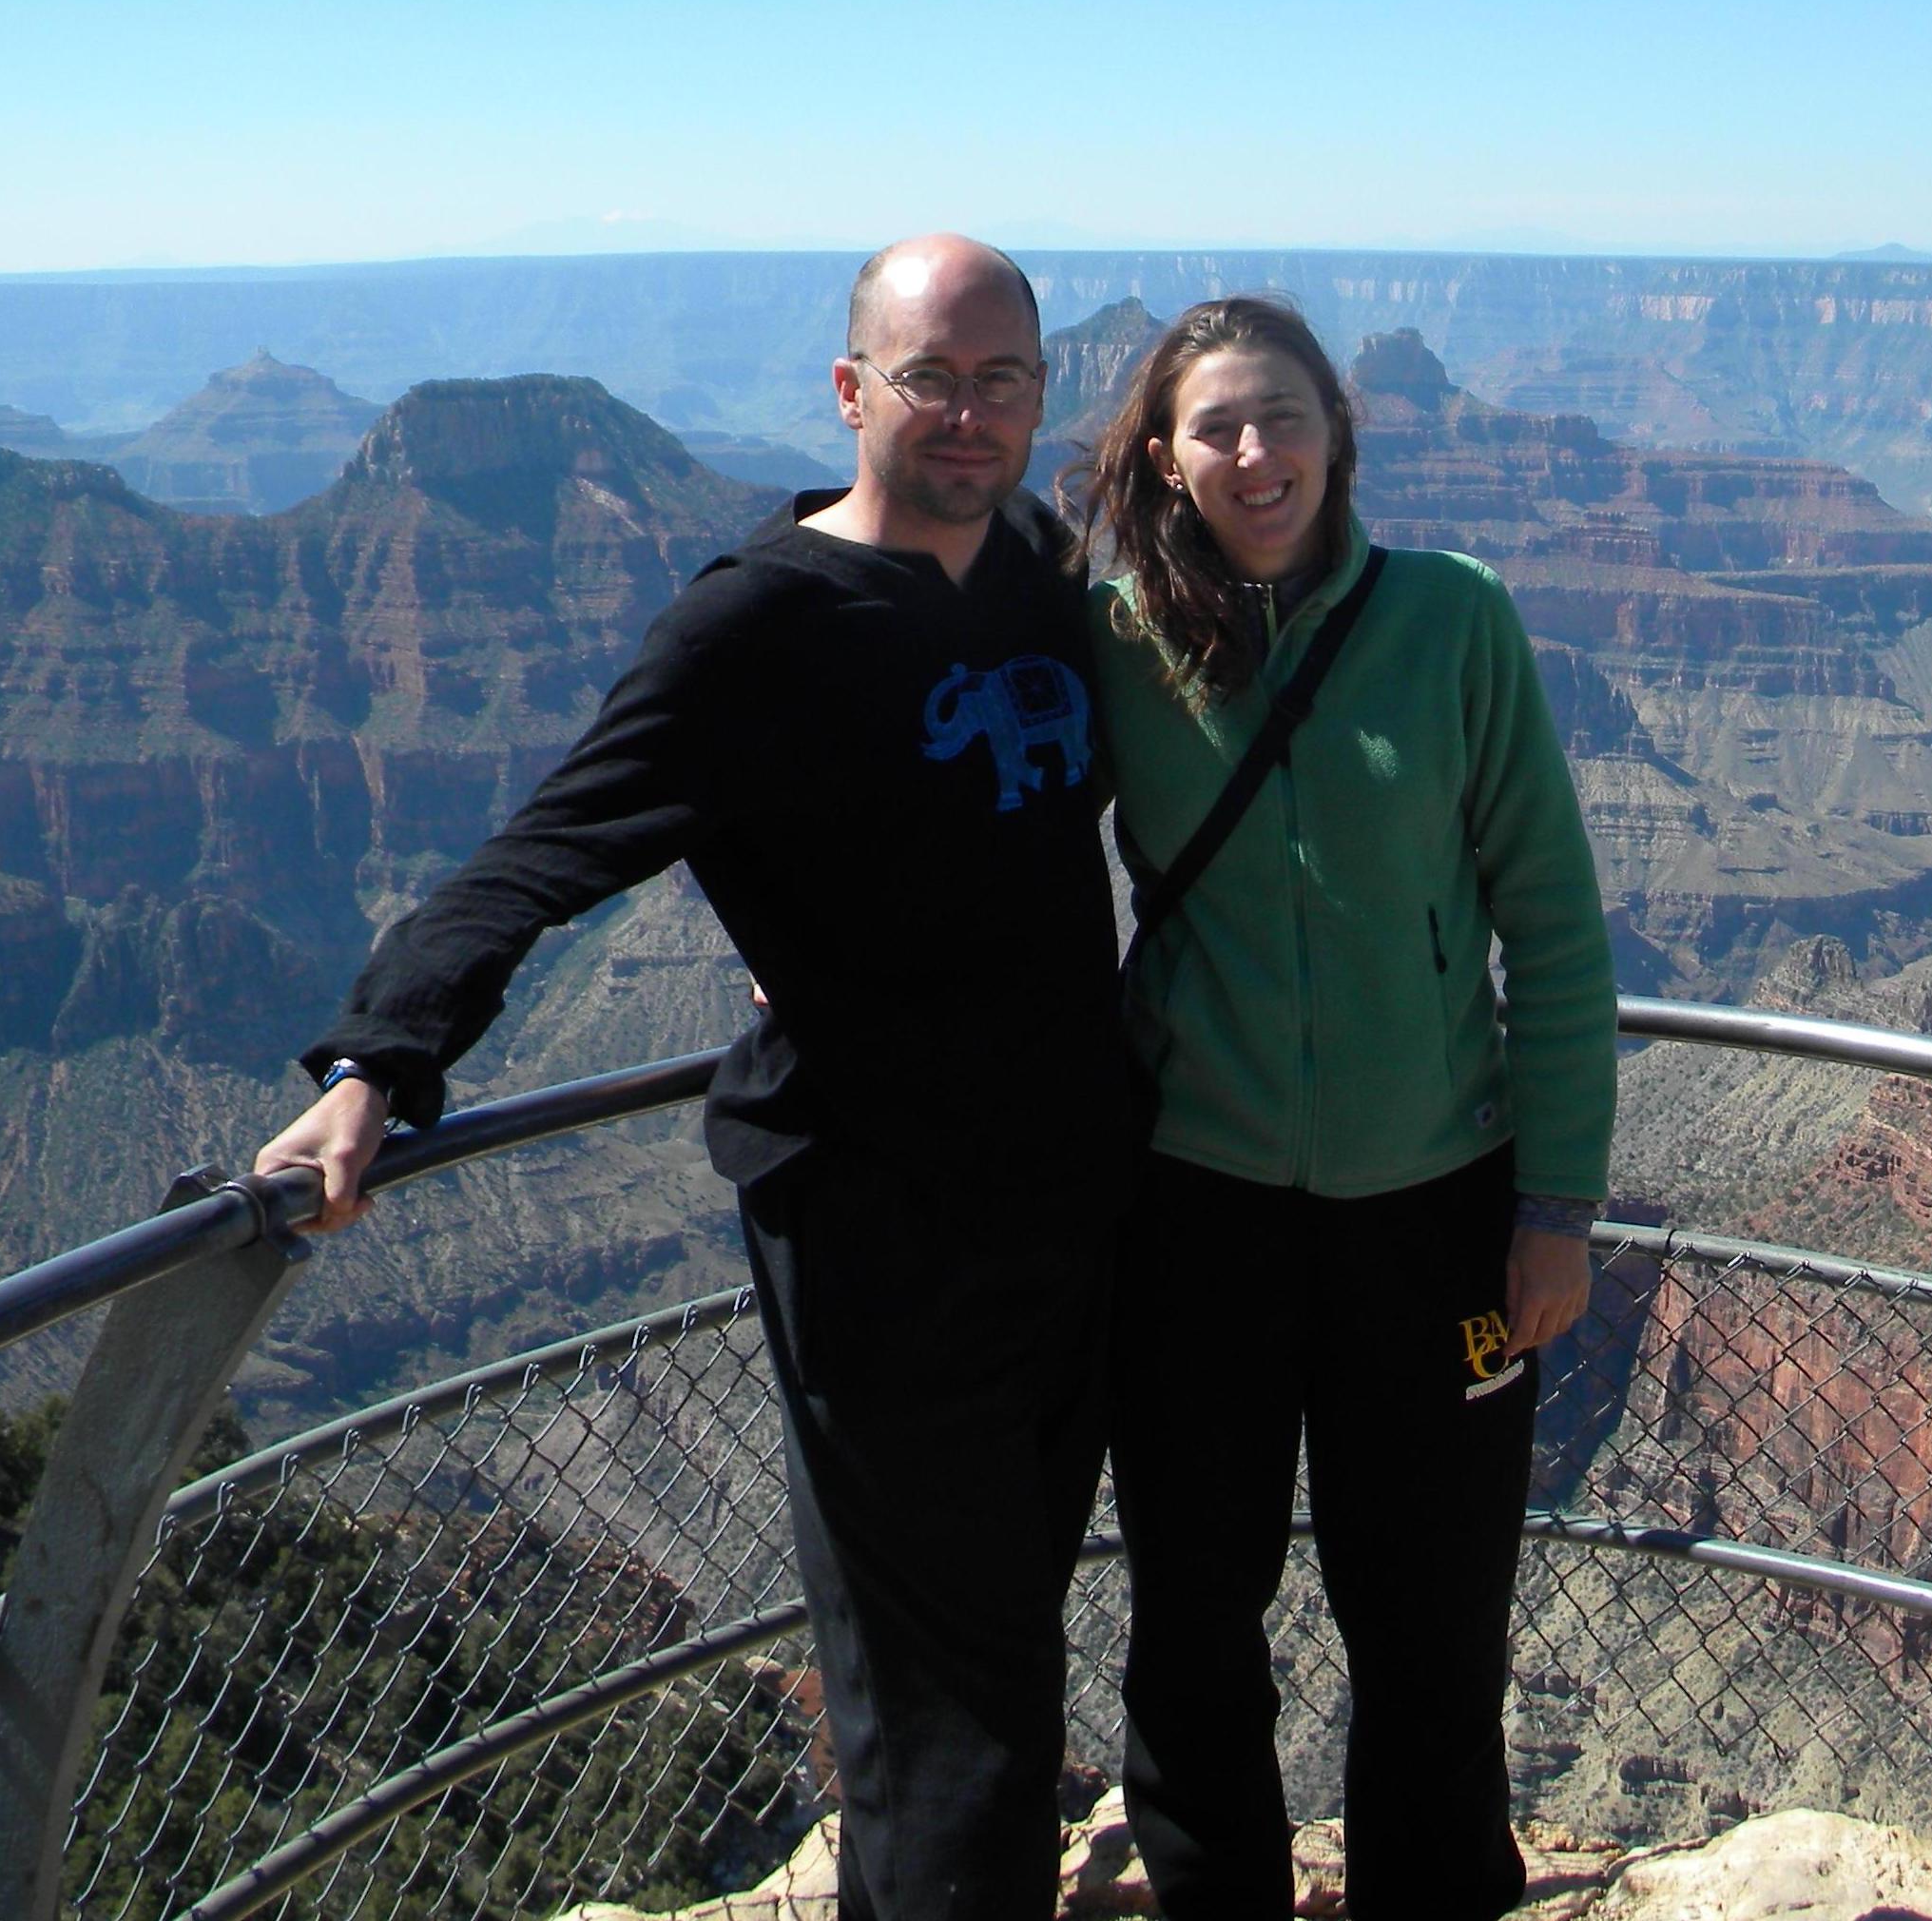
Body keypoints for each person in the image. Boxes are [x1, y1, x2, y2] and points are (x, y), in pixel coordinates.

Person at [252, 234, 1128, 1921]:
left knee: (1008, 1647)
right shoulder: (757, 627)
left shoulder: (1029, 560)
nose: (967, 413)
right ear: (851, 386)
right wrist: (379, 1058)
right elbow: (549, 847)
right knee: (946, 1711)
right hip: (878, 1225)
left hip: (1074, 1206)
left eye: (1002, 379)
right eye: (930, 377)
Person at [1072, 295, 1616, 1921]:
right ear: (1165, 458)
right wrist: (801, 943)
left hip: (1437, 1216)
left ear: (1339, 435)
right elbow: (953, 809)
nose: (1257, 454)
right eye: (1219, 427)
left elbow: (1556, 926)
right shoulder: (1113, 643)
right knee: (1192, 1622)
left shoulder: (1455, 618)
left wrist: (1559, 1205)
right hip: (1196, 1214)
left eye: (1285, 418)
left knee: (1435, 1625)